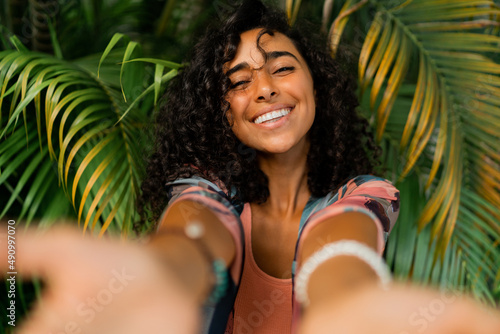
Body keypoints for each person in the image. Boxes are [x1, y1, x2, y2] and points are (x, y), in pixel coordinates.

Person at [2, 1, 499, 334]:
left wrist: (350, 305)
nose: (264, 88)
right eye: (239, 81)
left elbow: (343, 252)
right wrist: (158, 271)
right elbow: (193, 235)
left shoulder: (364, 195)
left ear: (317, 87)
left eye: (282, 68)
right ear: (220, 110)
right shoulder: (208, 190)